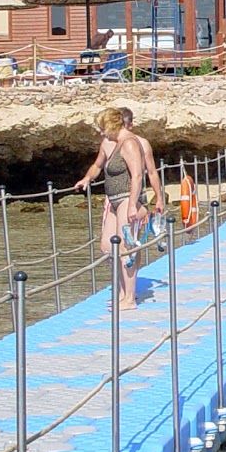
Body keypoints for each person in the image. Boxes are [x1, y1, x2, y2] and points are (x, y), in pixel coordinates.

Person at [74, 106, 165, 309]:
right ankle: (122, 291)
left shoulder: (132, 143)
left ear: (113, 124)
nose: (100, 132)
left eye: (102, 127)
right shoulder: (110, 143)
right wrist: (87, 179)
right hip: (114, 199)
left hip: (127, 199)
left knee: (125, 247)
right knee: (107, 247)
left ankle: (129, 298)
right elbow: (98, 165)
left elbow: (140, 175)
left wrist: (139, 203)